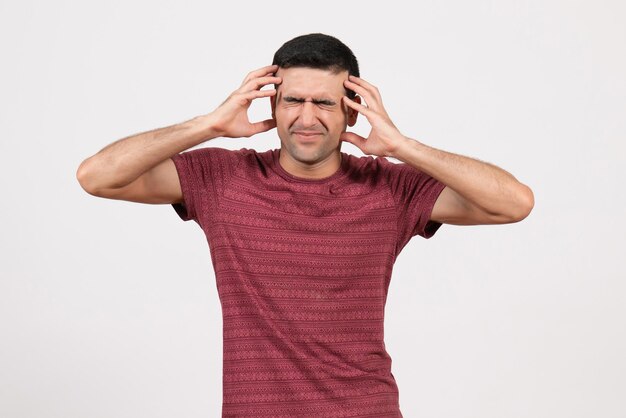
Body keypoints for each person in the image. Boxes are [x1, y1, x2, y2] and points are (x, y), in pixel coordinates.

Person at [77, 33, 533, 417]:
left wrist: (403, 145)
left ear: (352, 111)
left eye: (325, 104)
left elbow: (513, 204)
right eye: (293, 100)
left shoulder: (390, 189)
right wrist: (209, 124)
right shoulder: (222, 179)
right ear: (272, 105)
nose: (306, 117)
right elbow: (97, 176)